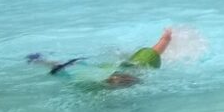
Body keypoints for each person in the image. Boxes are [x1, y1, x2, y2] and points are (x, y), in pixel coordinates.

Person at [27, 27, 173, 89]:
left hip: (113, 69)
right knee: (150, 53)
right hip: (117, 68)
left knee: (68, 68)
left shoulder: (95, 84)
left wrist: (46, 62)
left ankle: (166, 37)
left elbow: (64, 71)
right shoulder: (143, 67)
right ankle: (166, 37)